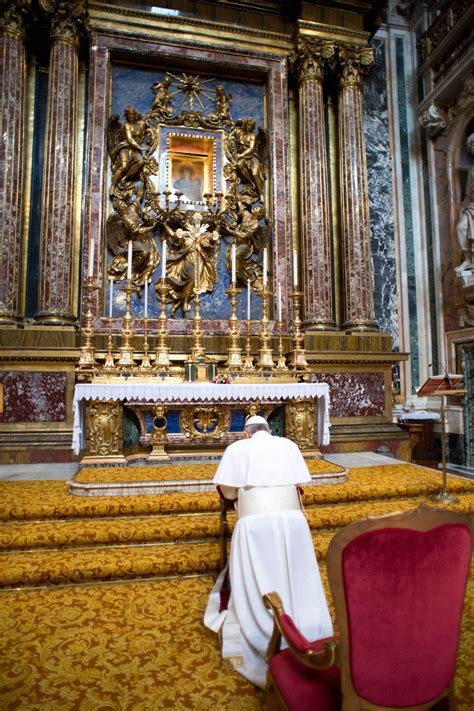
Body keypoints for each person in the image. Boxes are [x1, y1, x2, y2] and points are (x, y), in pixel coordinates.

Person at [204, 415, 333, 689]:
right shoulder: (288, 446)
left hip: (255, 525)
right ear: (268, 431)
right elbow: (300, 484)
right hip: (293, 523)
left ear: (247, 434)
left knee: (260, 575)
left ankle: (263, 628)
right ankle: (306, 625)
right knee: (296, 575)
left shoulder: (237, 449)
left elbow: (227, 493)